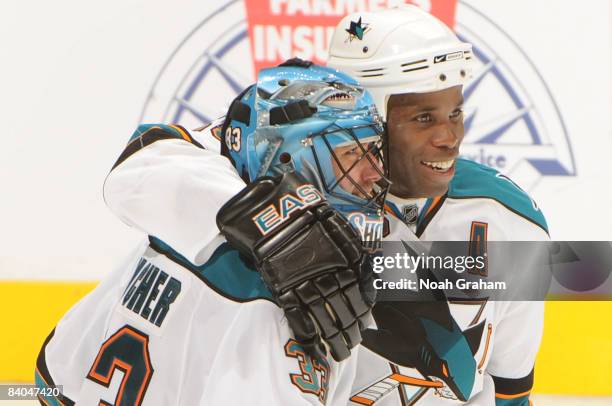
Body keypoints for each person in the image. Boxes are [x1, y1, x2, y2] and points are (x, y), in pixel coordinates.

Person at [102, 5, 548, 405]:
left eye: (455, 113)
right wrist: (279, 221)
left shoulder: (509, 219)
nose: (449, 138)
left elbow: (511, 388)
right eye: (423, 117)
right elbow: (143, 164)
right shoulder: (273, 155)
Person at [34, 67, 389, 405]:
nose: (374, 173)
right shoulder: (287, 303)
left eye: (373, 150)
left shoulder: (197, 212)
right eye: (351, 154)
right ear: (289, 160)